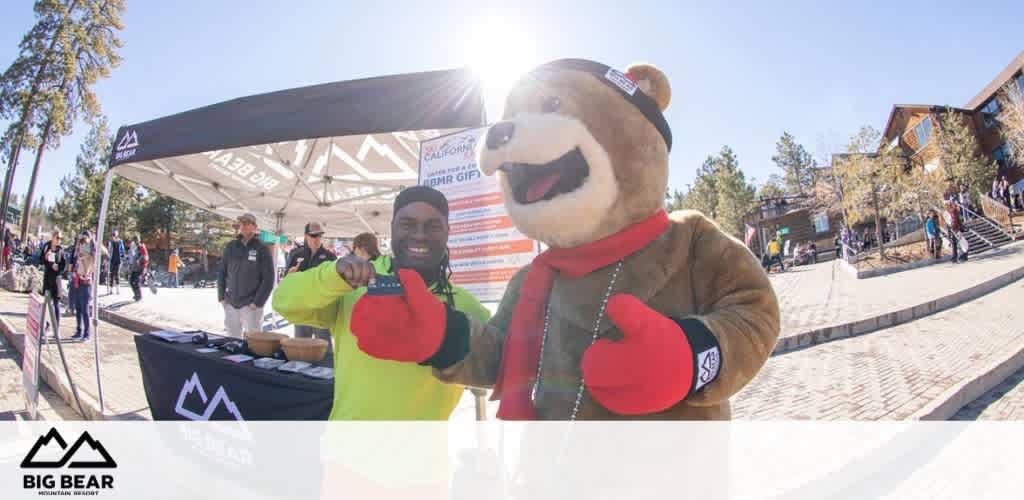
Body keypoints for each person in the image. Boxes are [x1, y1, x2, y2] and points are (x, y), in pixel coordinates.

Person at [272, 185, 491, 420]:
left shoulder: (468, 309)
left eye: (433, 226)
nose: (419, 234)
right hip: (345, 451)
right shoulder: (352, 282)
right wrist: (332, 275)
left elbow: (496, 378)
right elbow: (284, 302)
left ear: (448, 231)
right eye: (407, 224)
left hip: (424, 455)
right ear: (392, 229)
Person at [285, 222, 338, 356]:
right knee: (300, 348)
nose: (316, 239)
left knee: (324, 349)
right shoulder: (295, 255)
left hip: (321, 310)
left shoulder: (330, 257)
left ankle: (326, 374)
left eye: (319, 236)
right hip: (302, 309)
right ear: (306, 236)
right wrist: (290, 274)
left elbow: (335, 283)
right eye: (313, 236)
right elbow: (287, 282)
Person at [218, 213, 274, 339]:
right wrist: (221, 297)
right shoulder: (231, 246)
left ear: (255, 227)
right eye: (241, 223)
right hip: (231, 303)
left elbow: (268, 279)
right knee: (232, 341)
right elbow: (222, 272)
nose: (243, 225)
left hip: (251, 305)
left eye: (247, 223)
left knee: (253, 343)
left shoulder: (262, 248)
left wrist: (257, 302)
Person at [70, 232, 99, 341]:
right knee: (77, 307)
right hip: (77, 280)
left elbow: (93, 264)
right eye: (81, 241)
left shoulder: (92, 254)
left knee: (85, 309)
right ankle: (79, 330)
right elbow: (75, 261)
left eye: (84, 241)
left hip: (86, 282)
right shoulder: (78, 252)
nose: (82, 244)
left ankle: (87, 334)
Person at [40, 230, 67, 333]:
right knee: (47, 304)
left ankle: (56, 328)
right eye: (57, 238)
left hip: (56, 279)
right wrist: (45, 258)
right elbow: (41, 260)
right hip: (47, 278)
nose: (59, 240)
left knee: (56, 304)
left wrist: (58, 268)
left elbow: (64, 265)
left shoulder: (61, 250)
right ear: (53, 237)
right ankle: (47, 326)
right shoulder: (46, 246)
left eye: (60, 238)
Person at [127, 235, 149, 301]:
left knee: (136, 282)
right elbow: (132, 256)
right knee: (131, 281)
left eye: (136, 240)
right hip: (134, 267)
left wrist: (140, 260)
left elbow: (146, 257)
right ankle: (136, 294)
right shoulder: (134, 247)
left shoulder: (142, 247)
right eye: (134, 240)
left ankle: (139, 296)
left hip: (140, 267)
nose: (135, 242)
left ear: (139, 240)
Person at [107, 229, 126, 295]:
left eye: (114, 235)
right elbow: (108, 250)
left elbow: (122, 249)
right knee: (111, 274)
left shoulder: (120, 241)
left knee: (117, 274)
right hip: (112, 259)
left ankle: (118, 289)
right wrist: (108, 257)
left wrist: (123, 256)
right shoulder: (110, 242)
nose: (113, 236)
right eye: (113, 235)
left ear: (117, 235)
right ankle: (111, 290)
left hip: (118, 260)